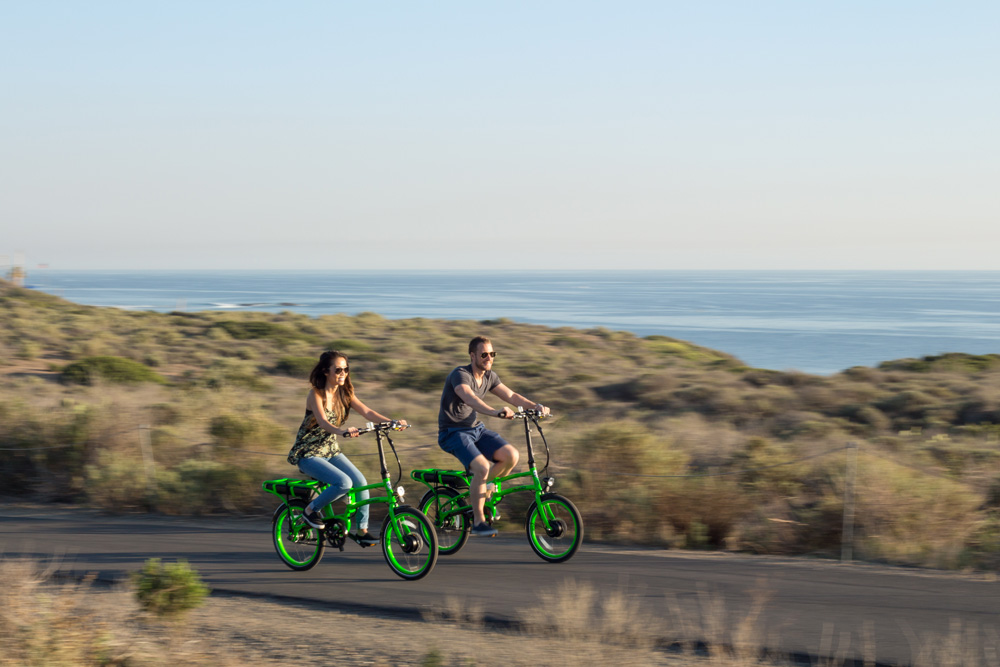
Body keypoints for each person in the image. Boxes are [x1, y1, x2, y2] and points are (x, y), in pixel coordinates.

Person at [287, 350, 407, 546]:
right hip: (308, 453)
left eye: (346, 369)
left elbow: (368, 412)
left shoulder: (345, 393)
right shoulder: (315, 394)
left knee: (360, 481)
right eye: (338, 370)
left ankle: (362, 530)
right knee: (344, 482)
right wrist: (342, 431)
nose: (343, 373)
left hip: (330, 451)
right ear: (326, 371)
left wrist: (392, 422)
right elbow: (324, 423)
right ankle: (310, 511)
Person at [438, 336, 550, 537]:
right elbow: (468, 397)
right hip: (453, 432)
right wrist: (494, 411)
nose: (489, 358)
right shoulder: (460, 375)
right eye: (484, 354)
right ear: (472, 356)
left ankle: (481, 488)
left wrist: (535, 407)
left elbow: (512, 396)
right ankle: (479, 520)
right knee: (481, 467)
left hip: (475, 430)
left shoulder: (489, 376)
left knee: (511, 456)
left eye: (492, 354)